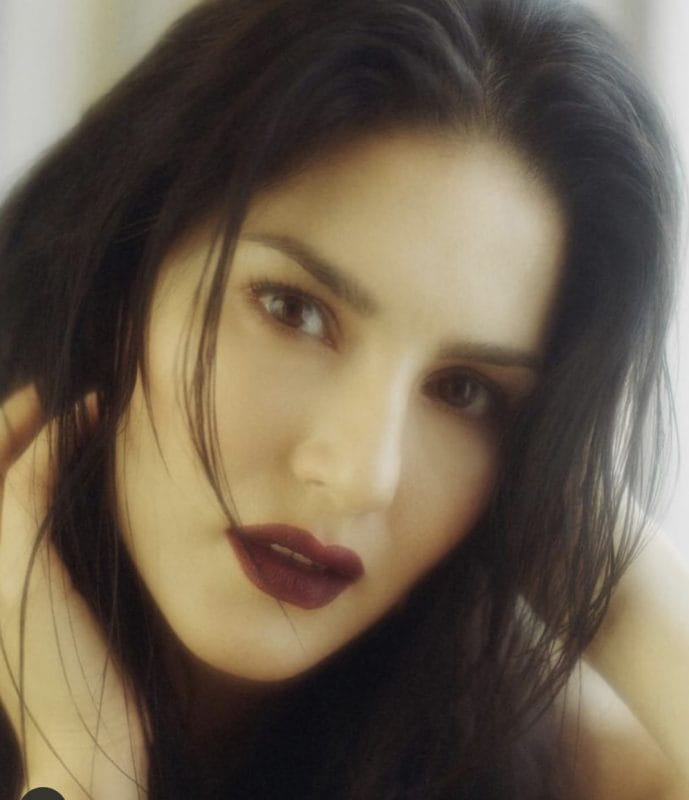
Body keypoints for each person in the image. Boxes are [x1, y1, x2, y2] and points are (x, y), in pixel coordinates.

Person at [0, 0, 687, 797]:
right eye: (292, 311)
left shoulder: (562, 770)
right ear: (118, 281)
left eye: (462, 391)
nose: (360, 475)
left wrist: (617, 595)